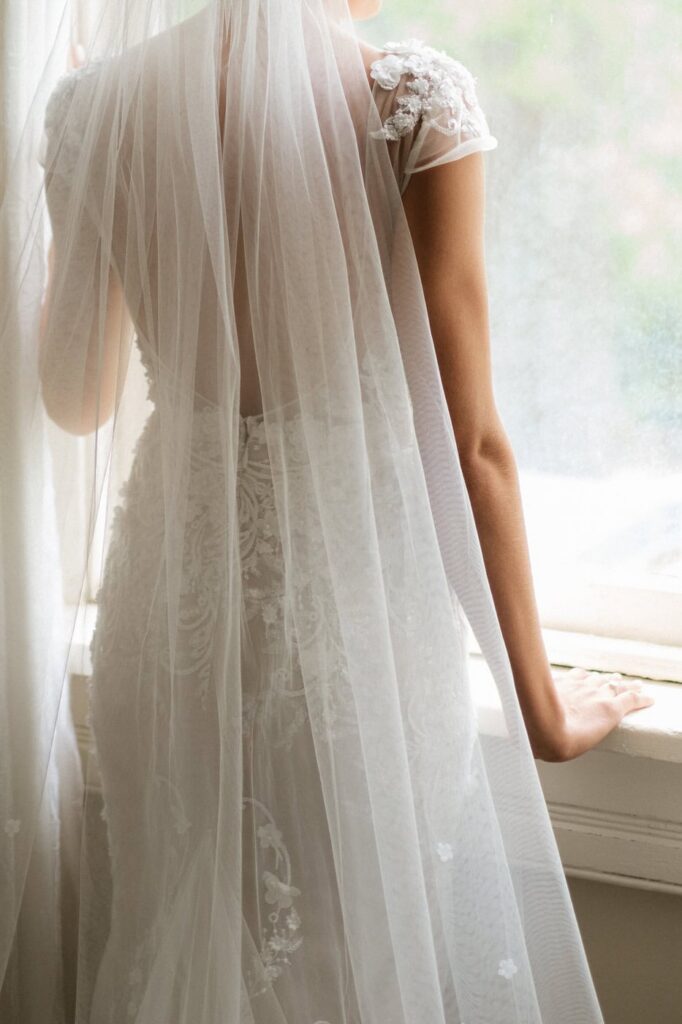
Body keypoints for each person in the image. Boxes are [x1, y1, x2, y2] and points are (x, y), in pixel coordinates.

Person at [1, 0, 653, 1020]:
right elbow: (469, 446)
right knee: (348, 965)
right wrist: (543, 710)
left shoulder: (100, 106)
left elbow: (73, 399)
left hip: (171, 611)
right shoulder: (408, 103)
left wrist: (63, 175)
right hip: (354, 627)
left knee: (178, 932)